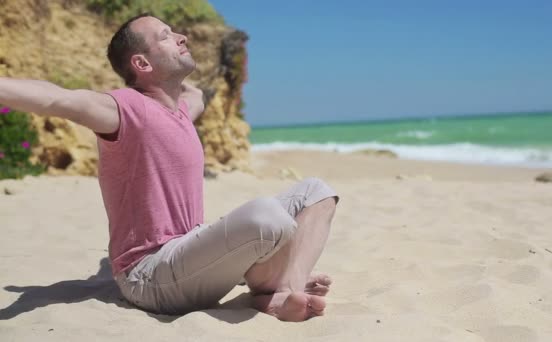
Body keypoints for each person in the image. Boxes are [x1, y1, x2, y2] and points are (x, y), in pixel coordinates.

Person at [0, 14, 338, 321]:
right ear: (141, 63)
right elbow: (57, 99)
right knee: (266, 215)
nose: (181, 37)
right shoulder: (124, 110)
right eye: (165, 35)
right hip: (148, 275)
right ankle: (283, 290)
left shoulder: (181, 110)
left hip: (191, 258)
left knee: (317, 193)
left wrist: (177, 68)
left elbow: (197, 96)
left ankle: (280, 288)